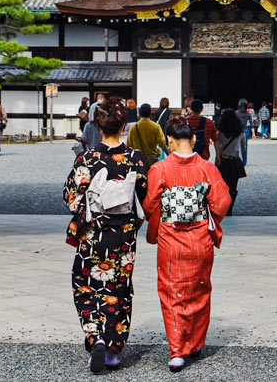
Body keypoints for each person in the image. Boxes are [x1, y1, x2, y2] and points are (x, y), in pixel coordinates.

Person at [62, 96, 148, 374]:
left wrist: (88, 207)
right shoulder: (134, 159)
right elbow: (144, 198)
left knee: (87, 285)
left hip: (93, 236)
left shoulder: (87, 159)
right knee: (118, 290)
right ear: (124, 125)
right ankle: (112, 349)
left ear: (98, 127)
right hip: (122, 236)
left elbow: (70, 197)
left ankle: (95, 336)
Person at [142, 117, 232, 373]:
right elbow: (222, 203)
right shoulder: (207, 169)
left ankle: (177, 351)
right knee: (199, 291)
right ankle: (195, 343)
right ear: (193, 140)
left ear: (169, 141)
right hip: (200, 238)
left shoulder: (160, 169)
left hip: (171, 240)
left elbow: (149, 206)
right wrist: (203, 214)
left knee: (171, 293)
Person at [216, 108, 246, 216]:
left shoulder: (220, 132)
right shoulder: (240, 132)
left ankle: (223, 207)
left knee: (222, 187)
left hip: (223, 160)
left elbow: (218, 147)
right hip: (235, 161)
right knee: (233, 188)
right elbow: (243, 147)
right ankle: (230, 209)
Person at [127, 103, 168, 168]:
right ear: (150, 113)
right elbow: (162, 142)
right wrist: (168, 154)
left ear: (140, 113)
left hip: (138, 159)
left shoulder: (134, 127)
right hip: (152, 158)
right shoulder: (156, 126)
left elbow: (129, 144)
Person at [186, 99, 220, 165]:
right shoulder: (209, 122)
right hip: (204, 155)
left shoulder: (185, 122)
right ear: (202, 109)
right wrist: (217, 155)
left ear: (191, 109)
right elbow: (215, 139)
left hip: (188, 154)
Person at [236, 99, 252, 166]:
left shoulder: (236, 113)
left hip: (237, 131)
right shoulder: (248, 114)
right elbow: (251, 124)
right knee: (244, 147)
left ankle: (238, 160)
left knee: (236, 146)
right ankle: (244, 161)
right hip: (245, 131)